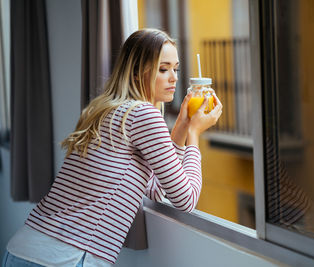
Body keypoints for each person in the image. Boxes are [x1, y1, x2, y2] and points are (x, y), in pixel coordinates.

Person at [2, 28, 223, 266]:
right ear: (138, 73)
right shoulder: (144, 114)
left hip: (23, 249)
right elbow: (186, 200)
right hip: (65, 258)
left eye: (176, 68)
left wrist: (179, 128)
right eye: (163, 69)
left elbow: (156, 190)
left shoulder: (105, 109)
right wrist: (194, 133)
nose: (174, 78)